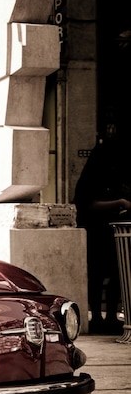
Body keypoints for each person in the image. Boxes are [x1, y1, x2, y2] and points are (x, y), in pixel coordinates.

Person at [74, 129, 131, 335]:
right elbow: (88, 204)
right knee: (99, 274)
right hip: (97, 230)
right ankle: (98, 316)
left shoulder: (112, 170)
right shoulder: (97, 174)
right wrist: (121, 203)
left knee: (115, 273)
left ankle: (108, 316)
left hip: (111, 231)